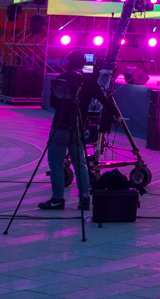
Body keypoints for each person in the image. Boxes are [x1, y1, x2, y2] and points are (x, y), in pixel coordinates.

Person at [39, 49, 113, 212]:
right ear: (84, 64)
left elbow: (52, 103)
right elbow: (103, 100)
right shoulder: (89, 81)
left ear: (68, 62)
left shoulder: (61, 78)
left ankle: (57, 200)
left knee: (56, 165)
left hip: (59, 127)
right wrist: (116, 115)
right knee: (80, 165)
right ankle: (84, 199)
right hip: (78, 128)